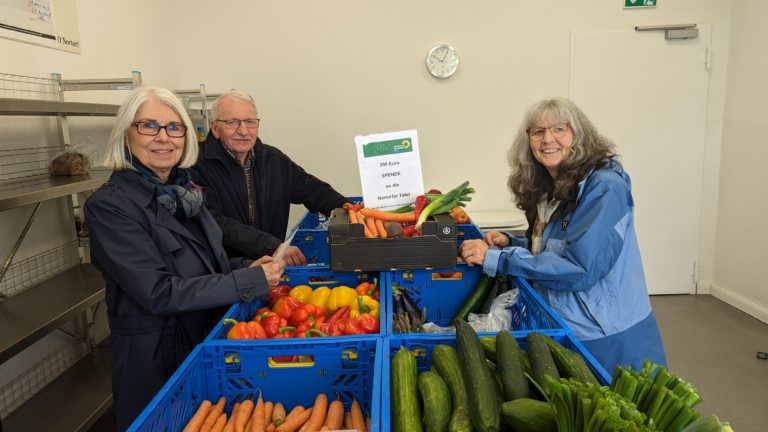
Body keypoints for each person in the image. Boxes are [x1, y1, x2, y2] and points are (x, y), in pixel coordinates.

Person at [84, 86, 285, 430]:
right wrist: (247, 282)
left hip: (203, 342)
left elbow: (207, 265)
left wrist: (245, 266)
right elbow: (158, 291)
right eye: (149, 126)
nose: (164, 138)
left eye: (174, 127)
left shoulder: (185, 193)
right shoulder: (110, 206)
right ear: (125, 135)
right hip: (155, 359)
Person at [460, 97, 666, 373]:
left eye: (559, 129)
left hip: (607, 332)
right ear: (528, 140)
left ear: (579, 135)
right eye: (538, 132)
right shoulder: (552, 186)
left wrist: (500, 259)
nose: (548, 139)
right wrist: (515, 242)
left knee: (629, 410)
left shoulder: (604, 187)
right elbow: (560, 246)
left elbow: (578, 268)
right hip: (566, 323)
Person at [190, 90, 347, 266]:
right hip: (225, 271)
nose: (243, 131)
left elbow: (313, 190)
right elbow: (213, 222)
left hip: (273, 269)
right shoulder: (195, 164)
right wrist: (270, 246)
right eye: (232, 122)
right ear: (215, 128)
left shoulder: (274, 160)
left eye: (250, 122)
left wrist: (347, 208)